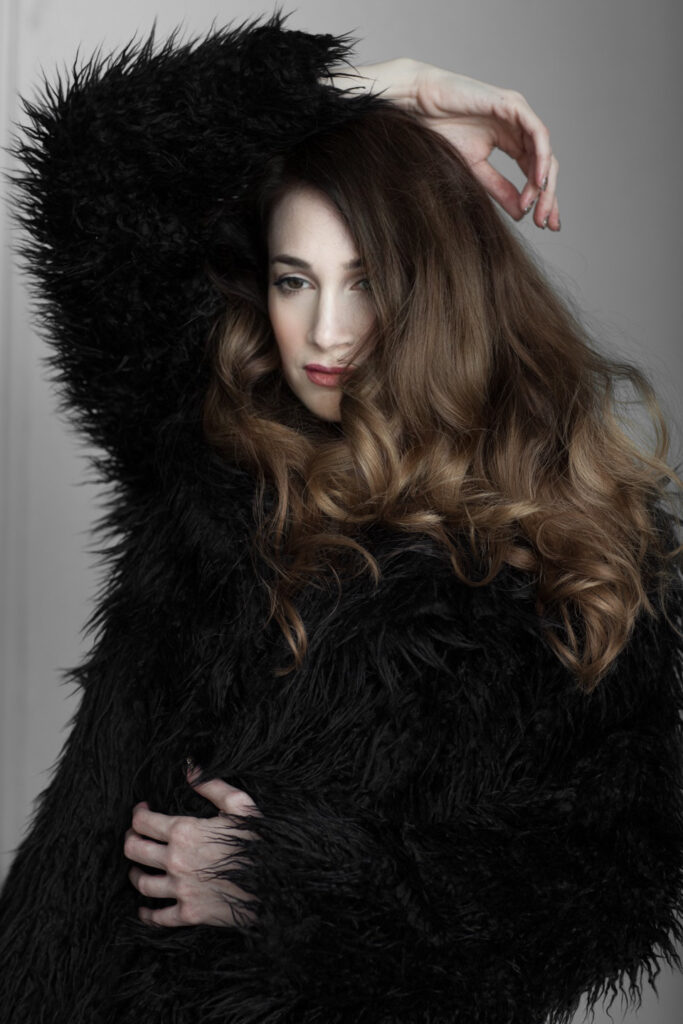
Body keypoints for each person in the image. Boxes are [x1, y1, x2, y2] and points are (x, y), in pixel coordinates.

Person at [1, 7, 681, 1023]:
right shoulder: (212, 449)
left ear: (434, 285)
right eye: (294, 280)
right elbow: (95, 155)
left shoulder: (573, 550)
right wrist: (373, 91)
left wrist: (290, 888)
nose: (324, 332)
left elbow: (609, 883)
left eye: (363, 282)